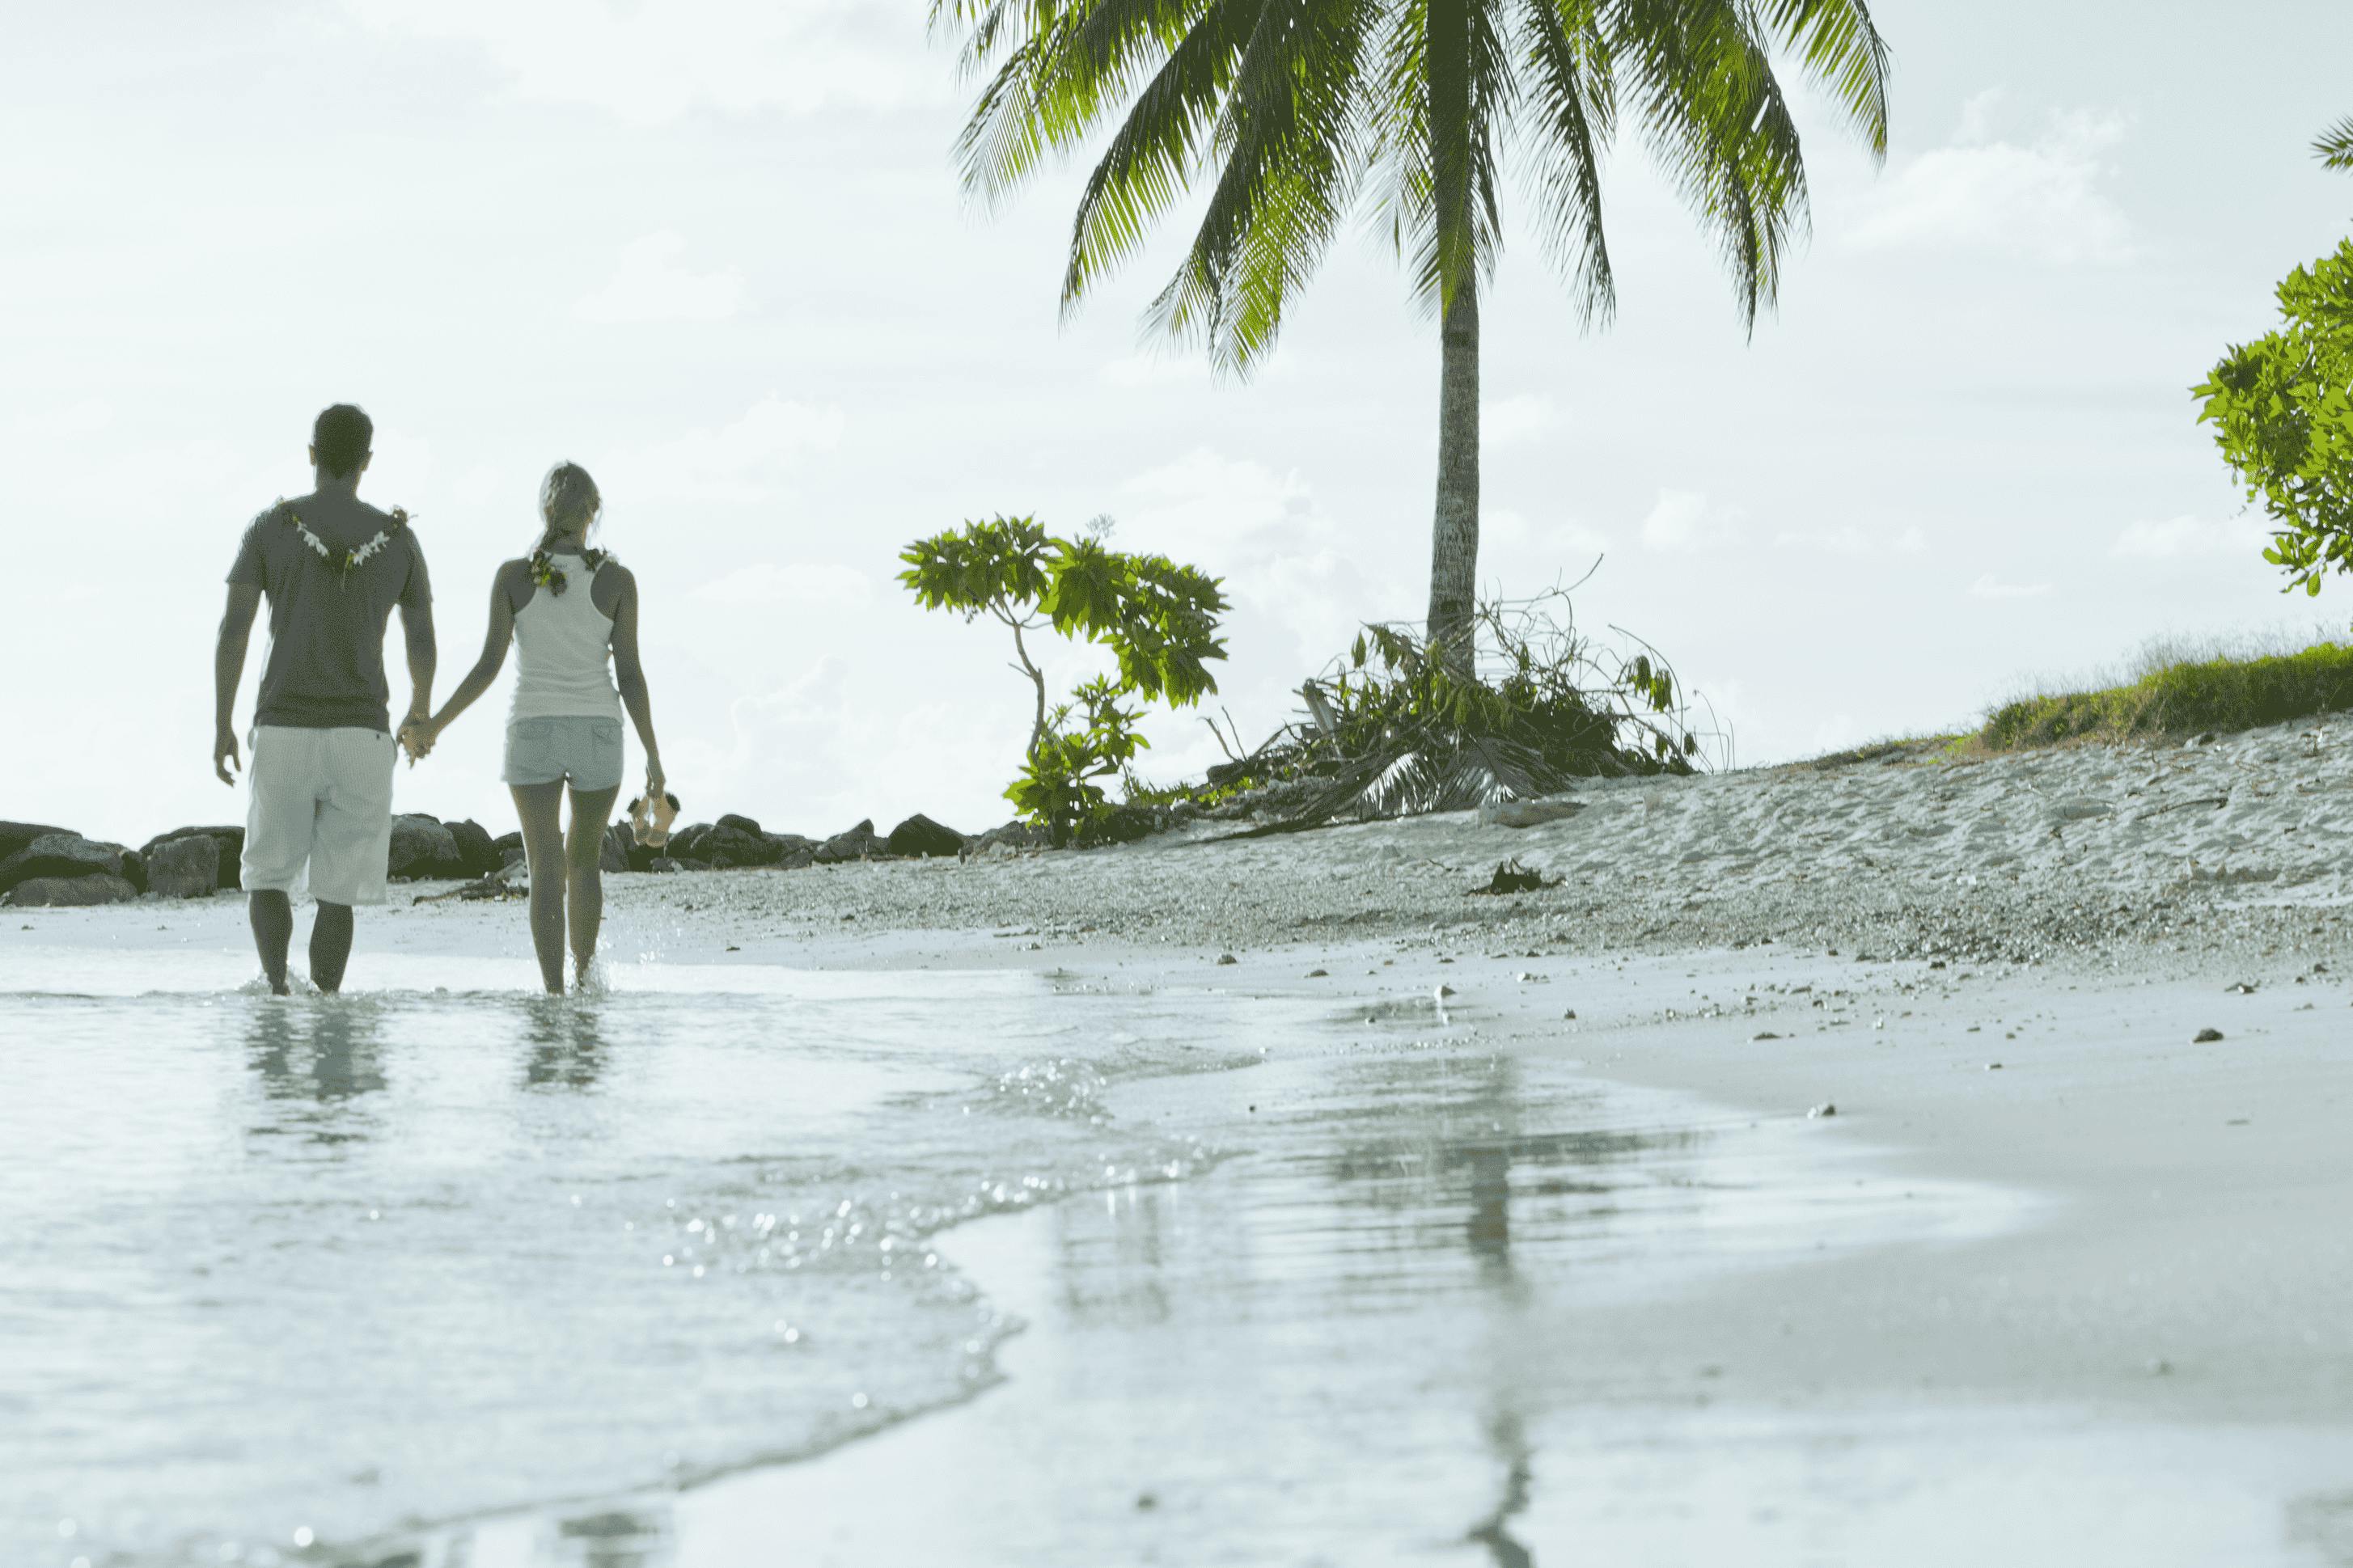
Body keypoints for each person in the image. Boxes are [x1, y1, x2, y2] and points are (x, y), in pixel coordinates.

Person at [405, 461, 663, 994]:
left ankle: (552, 995)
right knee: (584, 863)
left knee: (545, 869)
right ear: (592, 512)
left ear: (546, 509)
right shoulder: (617, 580)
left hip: (533, 730)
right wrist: (653, 757)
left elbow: (486, 667)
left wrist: (434, 725)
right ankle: (586, 983)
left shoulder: (515, 577)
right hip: (598, 730)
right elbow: (631, 676)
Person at [214, 404, 435, 994]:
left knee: (267, 876)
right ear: (366, 461)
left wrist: (222, 724)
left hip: (284, 727)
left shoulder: (270, 527)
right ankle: (328, 1008)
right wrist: (421, 708)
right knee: (338, 894)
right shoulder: (398, 539)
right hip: (362, 735)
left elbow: (232, 631)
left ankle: (279, 994)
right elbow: (421, 637)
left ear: (312, 453)